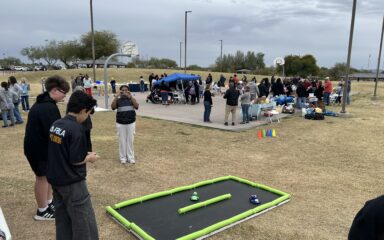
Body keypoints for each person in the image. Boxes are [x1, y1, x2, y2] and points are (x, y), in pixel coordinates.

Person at [47, 91, 98, 240]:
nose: (87, 116)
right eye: (88, 113)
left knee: (63, 220)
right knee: (84, 223)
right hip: (72, 183)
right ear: (83, 111)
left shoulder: (56, 124)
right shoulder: (76, 129)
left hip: (56, 181)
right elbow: (76, 160)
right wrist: (90, 158)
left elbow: (61, 151)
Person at [24, 75, 70, 220]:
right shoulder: (47, 107)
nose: (64, 96)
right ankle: (42, 211)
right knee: (42, 178)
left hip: (43, 148)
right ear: (55, 90)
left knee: (48, 177)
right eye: (63, 92)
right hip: (38, 149)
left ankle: (49, 202)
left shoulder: (46, 103)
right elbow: (53, 131)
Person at [111, 85, 139, 164]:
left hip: (131, 123)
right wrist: (116, 96)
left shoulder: (131, 99)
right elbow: (112, 107)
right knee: (122, 141)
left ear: (128, 91)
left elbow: (136, 106)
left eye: (126, 90)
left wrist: (131, 97)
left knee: (130, 141)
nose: (124, 92)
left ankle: (130, 157)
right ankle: (123, 158)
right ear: (120, 91)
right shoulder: (118, 100)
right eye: (122, 90)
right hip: (120, 123)